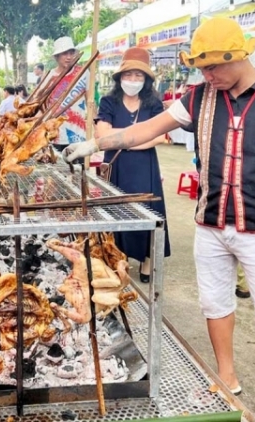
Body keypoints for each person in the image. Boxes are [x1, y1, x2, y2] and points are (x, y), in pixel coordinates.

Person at [63, 18, 255, 422]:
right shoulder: (198, 97)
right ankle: (226, 377)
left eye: (215, 67)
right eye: (202, 68)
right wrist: (96, 143)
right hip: (211, 222)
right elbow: (147, 130)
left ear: (240, 56)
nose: (209, 75)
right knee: (215, 304)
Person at [94, 47, 170, 283]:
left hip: (143, 166)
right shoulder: (108, 102)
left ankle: (147, 260)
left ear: (146, 79)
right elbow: (102, 135)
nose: (133, 80)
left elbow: (160, 137)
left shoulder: (153, 104)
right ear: (120, 78)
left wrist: (122, 140)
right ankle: (118, 258)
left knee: (148, 210)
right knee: (116, 210)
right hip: (115, 166)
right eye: (129, 75)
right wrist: (140, 137)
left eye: (139, 76)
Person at [39, 36, 89, 144]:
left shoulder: (83, 73)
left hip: (79, 134)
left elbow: (90, 101)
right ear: (57, 57)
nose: (69, 57)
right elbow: (41, 105)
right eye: (65, 54)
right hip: (55, 136)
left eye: (71, 53)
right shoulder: (49, 77)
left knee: (78, 161)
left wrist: (95, 124)